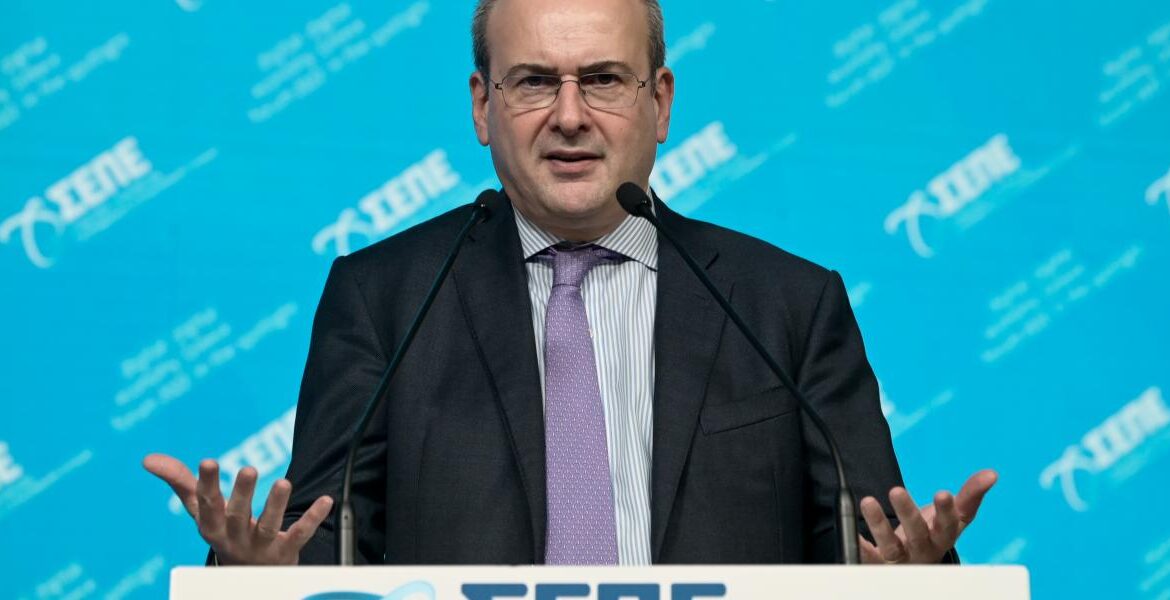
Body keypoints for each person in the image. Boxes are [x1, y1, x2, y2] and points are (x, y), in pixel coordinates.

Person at [145, 0, 997, 566]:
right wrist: (254, 576)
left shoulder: (788, 306)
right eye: (532, 82)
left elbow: (871, 548)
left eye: (603, 79)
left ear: (661, 102)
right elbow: (323, 548)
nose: (569, 115)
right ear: (482, 107)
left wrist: (915, 582)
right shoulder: (384, 301)